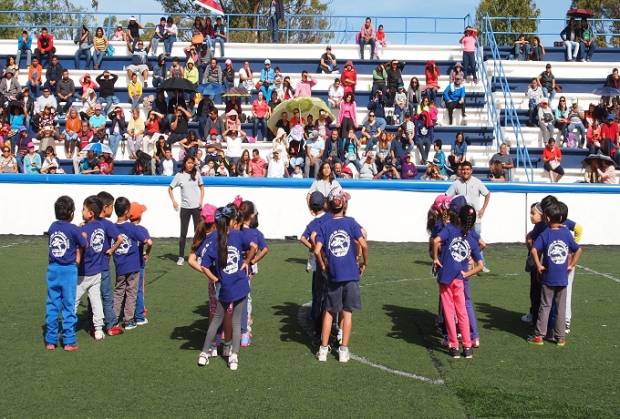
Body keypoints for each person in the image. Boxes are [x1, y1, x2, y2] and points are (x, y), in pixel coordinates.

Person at [196, 203, 257, 370]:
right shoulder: (237, 236)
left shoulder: (213, 241)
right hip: (239, 284)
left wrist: (215, 279)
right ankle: (234, 357)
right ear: (231, 221)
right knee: (237, 322)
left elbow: (204, 266)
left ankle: (204, 353)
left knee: (216, 320)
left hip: (224, 287)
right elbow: (254, 246)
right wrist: (246, 262)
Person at [315, 189, 368, 363]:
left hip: (333, 275)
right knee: (347, 312)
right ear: (344, 204)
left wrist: (323, 265)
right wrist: (363, 262)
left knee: (329, 312)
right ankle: (343, 350)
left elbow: (317, 250)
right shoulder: (351, 223)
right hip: (351, 273)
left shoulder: (325, 225)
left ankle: (323, 349)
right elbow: (363, 243)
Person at [432, 205, 483, 358]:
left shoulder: (450, 229)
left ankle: (453, 345)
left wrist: (435, 258)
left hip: (446, 277)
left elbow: (435, 241)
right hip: (460, 279)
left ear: (458, 217)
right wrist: (467, 273)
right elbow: (481, 265)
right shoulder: (472, 239)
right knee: (462, 312)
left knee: (449, 312)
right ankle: (467, 346)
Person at [528, 202, 582, 347]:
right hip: (563, 279)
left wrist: (539, 265)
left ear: (546, 217)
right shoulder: (566, 232)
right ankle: (561, 337)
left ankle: (539, 336)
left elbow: (534, 250)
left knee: (545, 306)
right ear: (563, 218)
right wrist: (571, 265)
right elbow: (578, 249)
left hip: (548, 278)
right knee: (560, 308)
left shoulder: (546, 233)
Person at [44, 196, 87, 351]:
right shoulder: (74, 228)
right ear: (71, 213)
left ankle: (50, 340)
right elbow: (84, 244)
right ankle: (69, 341)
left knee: (52, 304)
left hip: (53, 269)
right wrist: (83, 236)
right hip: (68, 270)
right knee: (68, 305)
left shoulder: (52, 227)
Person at [111, 197, 152, 331]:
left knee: (118, 292)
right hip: (133, 266)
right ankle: (128, 320)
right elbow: (146, 241)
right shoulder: (131, 227)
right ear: (127, 212)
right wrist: (147, 251)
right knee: (131, 292)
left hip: (120, 266)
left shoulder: (112, 227)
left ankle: (114, 319)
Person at [446, 161, 491, 271]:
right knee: (462, 241)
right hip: (460, 220)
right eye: (463, 170)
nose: (465, 172)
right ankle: (463, 263)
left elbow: (487, 194)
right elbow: (447, 197)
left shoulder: (477, 182)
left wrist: (483, 209)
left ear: (471, 171)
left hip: (475, 219)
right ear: (461, 171)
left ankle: (480, 264)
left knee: (476, 242)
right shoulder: (456, 183)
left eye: (467, 169)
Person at [74, 196, 108, 341]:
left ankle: (68, 326)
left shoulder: (84, 230)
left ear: (91, 213)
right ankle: (99, 330)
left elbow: (80, 247)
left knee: (73, 300)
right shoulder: (100, 227)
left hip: (83, 272)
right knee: (96, 301)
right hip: (97, 270)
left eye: (83, 209)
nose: (82, 211)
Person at [169, 156, 205, 266]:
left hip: (196, 208)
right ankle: (181, 256)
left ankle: (198, 255)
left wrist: (201, 201)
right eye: (188, 163)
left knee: (198, 233)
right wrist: (174, 201)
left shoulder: (197, 174)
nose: (190, 165)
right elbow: (170, 188)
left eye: (192, 163)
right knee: (183, 233)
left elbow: (202, 188)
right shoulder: (179, 176)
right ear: (185, 163)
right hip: (185, 208)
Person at [128, 202, 152, 327]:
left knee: (126, 288)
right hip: (138, 264)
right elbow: (150, 243)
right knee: (138, 290)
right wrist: (147, 253)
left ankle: (127, 314)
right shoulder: (142, 230)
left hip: (125, 264)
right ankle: (139, 316)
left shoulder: (124, 228)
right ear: (140, 216)